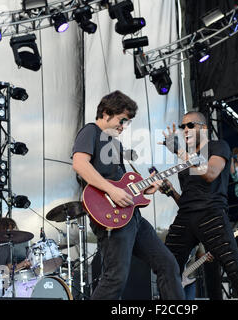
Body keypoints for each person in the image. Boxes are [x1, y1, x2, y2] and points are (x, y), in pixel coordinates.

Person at [71, 90, 185, 300]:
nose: (123, 127)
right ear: (106, 113)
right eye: (121, 120)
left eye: (127, 123)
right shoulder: (91, 131)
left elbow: (123, 183)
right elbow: (79, 163)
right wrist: (112, 190)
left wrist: (145, 189)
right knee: (115, 278)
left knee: (168, 264)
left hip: (133, 217)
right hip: (111, 217)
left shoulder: (116, 144)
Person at [160, 111, 238, 300]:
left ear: (204, 128)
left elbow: (210, 174)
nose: (185, 130)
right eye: (183, 127)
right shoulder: (187, 160)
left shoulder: (218, 146)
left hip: (211, 214)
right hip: (185, 217)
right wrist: (171, 191)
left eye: (190, 125)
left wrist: (180, 152)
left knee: (234, 268)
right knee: (167, 268)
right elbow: (187, 199)